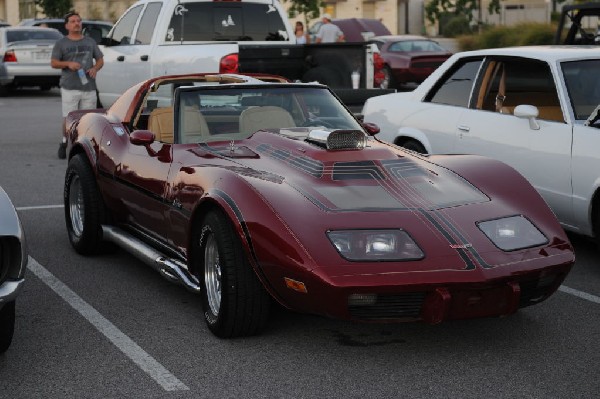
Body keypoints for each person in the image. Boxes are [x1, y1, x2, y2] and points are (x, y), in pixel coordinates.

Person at [51, 11, 104, 159]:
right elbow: (54, 63)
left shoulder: (90, 42)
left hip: (89, 87)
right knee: (69, 118)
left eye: (79, 21)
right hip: (69, 86)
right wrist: (68, 63)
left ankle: (84, 146)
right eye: (73, 21)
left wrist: (95, 68)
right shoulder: (61, 43)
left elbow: (100, 60)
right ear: (67, 25)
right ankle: (64, 142)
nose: (77, 23)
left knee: (88, 118)